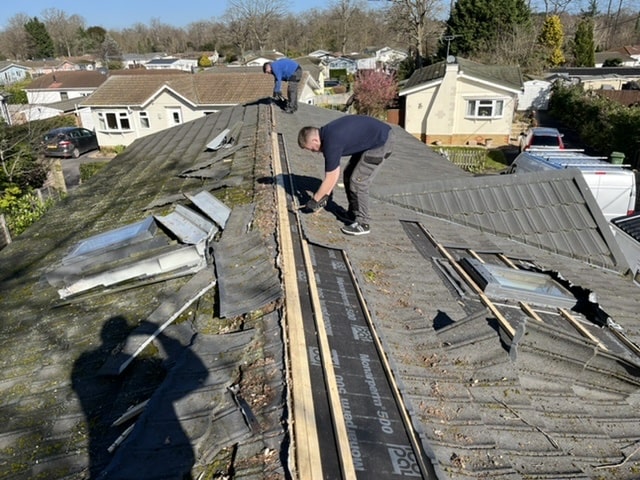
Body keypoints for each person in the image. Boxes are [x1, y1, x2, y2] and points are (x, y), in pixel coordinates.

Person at [298, 115, 394, 236]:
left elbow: (332, 176)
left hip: (381, 141)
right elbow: (333, 176)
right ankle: (353, 214)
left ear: (315, 141)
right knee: (348, 174)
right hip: (372, 139)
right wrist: (324, 195)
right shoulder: (328, 133)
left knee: (358, 181)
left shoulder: (331, 142)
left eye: (312, 149)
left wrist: (315, 200)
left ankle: (363, 223)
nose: (315, 152)